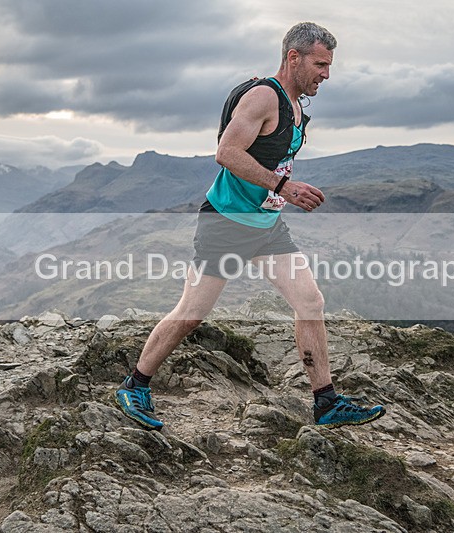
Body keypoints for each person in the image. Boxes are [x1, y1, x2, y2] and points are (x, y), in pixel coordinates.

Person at [116, 22, 386, 430]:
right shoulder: (264, 96)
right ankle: (134, 385)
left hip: (266, 227)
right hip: (225, 223)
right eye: (320, 64)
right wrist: (284, 186)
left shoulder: (296, 105)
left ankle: (326, 402)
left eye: (329, 66)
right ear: (293, 58)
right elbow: (226, 152)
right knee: (191, 314)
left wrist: (280, 193)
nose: (327, 75)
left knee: (310, 302)